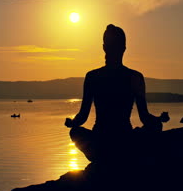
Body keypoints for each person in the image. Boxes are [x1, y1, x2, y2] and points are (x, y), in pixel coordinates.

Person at [65, 24, 169, 162]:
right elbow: (145, 117)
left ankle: (101, 158)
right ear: (124, 49)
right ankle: (123, 156)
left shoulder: (93, 76)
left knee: (75, 132)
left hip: (102, 140)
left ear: (104, 47)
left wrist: (72, 123)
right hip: (124, 139)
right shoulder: (134, 77)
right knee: (155, 127)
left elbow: (82, 116)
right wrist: (158, 120)